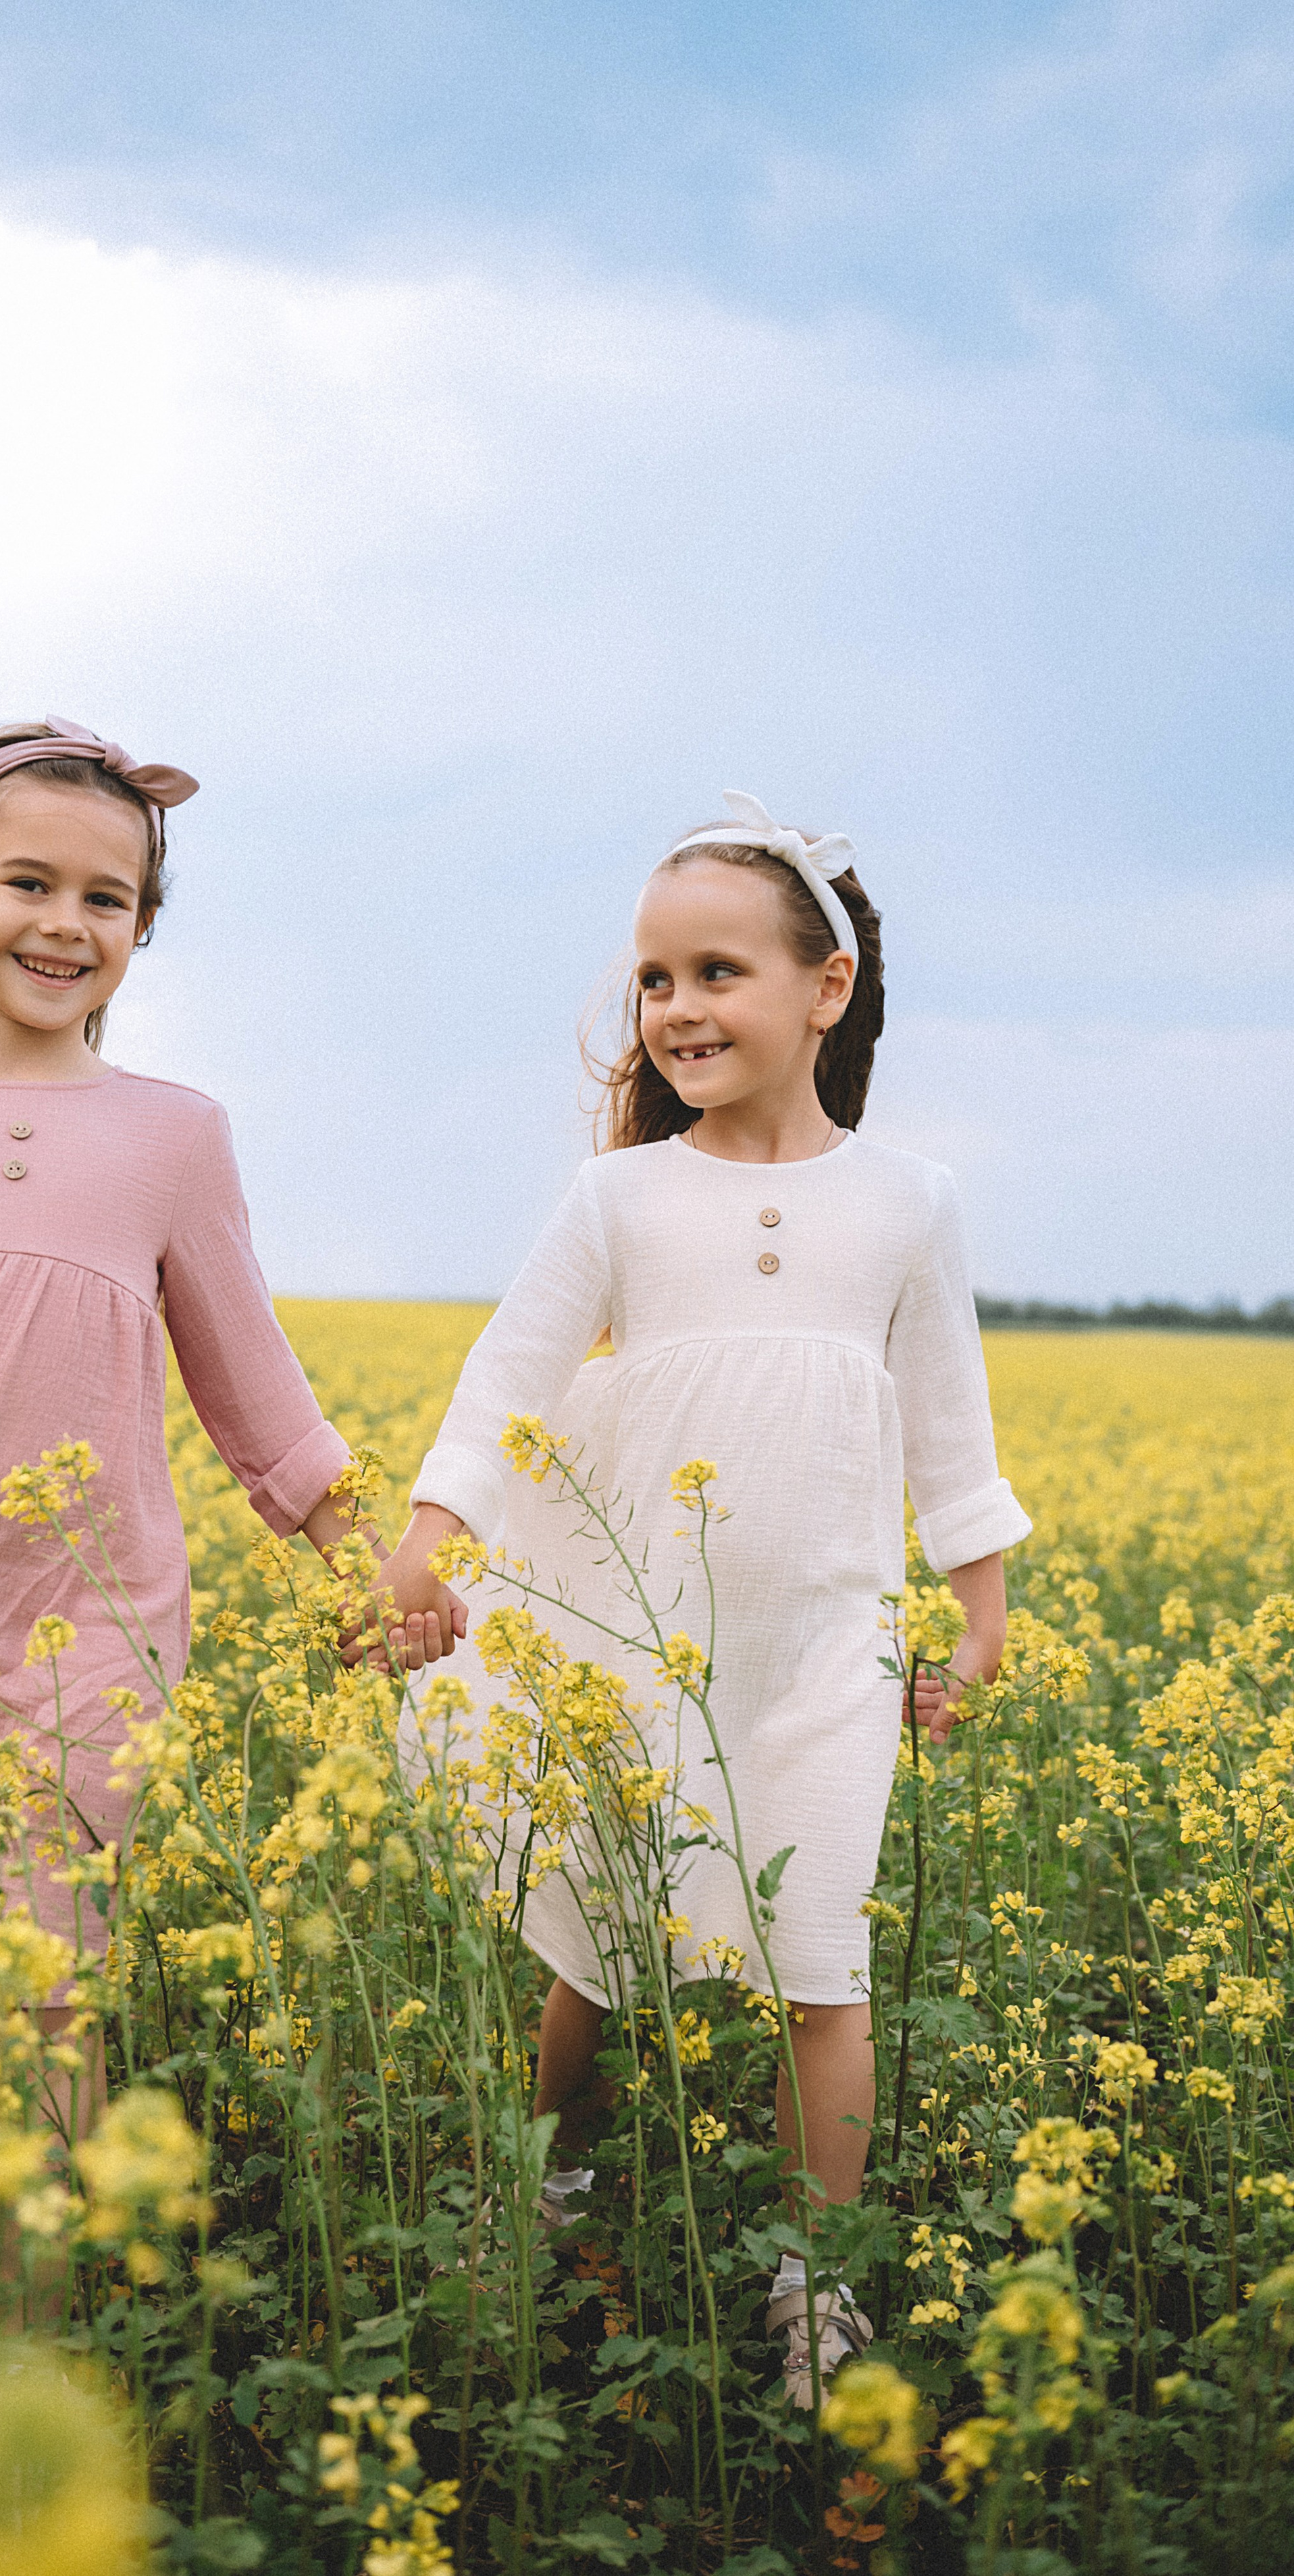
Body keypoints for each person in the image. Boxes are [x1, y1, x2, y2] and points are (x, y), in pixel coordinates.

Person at [0, 717, 460, 2323]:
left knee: (40, 1982)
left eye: (107, 899)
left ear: (141, 926)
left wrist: (363, 1570)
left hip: (91, 1628)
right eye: (29, 884)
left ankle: (28, 2346)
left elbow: (254, 1389)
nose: (65, 924)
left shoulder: (172, 1135)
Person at [382, 791, 1030, 2404]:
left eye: (716, 973)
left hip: (822, 1653)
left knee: (821, 1965)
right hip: (628, 1633)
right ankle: (548, 2192)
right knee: (599, 1950)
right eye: (654, 980)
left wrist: (979, 1614)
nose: (675, 1008)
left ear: (825, 988)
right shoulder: (620, 1199)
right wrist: (430, 1538)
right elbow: (506, 1380)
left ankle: (817, 2286)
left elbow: (948, 1429)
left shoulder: (907, 1201)